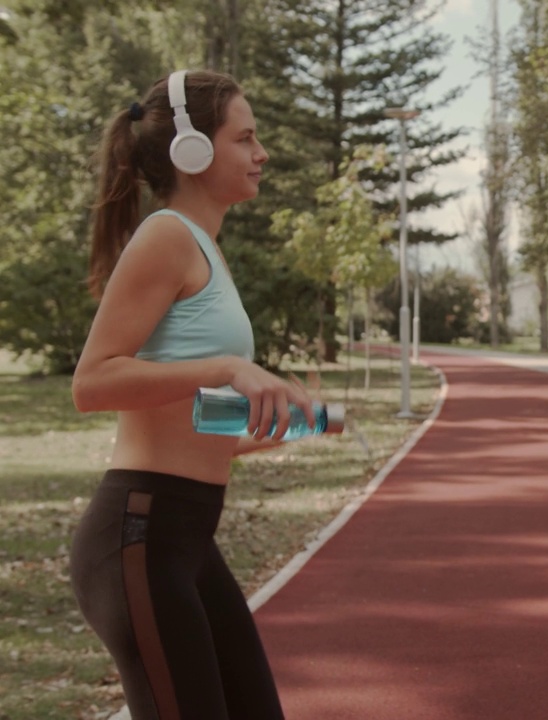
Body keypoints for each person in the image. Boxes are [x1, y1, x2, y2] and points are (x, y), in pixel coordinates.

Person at [69, 69, 314, 720]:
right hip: (139, 532)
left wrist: (256, 431)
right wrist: (227, 369)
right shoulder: (166, 236)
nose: (262, 154)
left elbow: (178, 405)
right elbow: (93, 383)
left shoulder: (205, 247)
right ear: (194, 152)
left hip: (184, 535)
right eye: (246, 138)